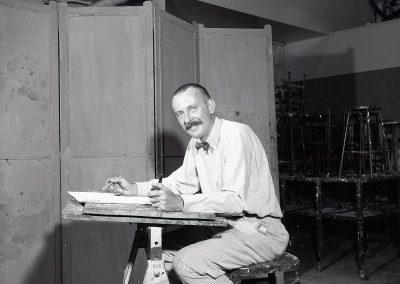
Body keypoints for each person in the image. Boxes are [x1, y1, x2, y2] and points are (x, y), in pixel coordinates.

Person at [106, 83, 289, 284]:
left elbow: (235, 201)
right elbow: (177, 183)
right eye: (180, 114)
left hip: (260, 230)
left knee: (188, 262)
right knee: (159, 250)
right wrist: (135, 188)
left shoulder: (237, 134)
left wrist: (182, 203)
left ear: (210, 106)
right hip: (222, 226)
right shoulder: (196, 143)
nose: (187, 119)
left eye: (192, 108)